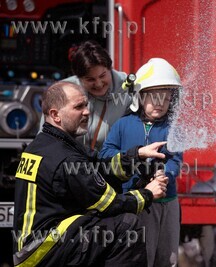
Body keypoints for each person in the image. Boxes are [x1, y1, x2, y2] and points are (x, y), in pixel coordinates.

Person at [13, 81, 169, 266]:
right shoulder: (65, 157)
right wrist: (148, 194)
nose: (87, 111)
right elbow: (109, 204)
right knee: (127, 226)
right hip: (43, 250)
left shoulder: (44, 144)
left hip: (33, 247)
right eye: (78, 107)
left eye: (86, 105)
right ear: (55, 115)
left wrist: (137, 155)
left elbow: (98, 168)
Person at [100, 58, 183, 267]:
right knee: (142, 255)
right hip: (137, 202)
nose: (159, 103)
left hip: (168, 202)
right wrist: (132, 157)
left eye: (165, 98)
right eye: (153, 97)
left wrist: (166, 174)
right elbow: (105, 154)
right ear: (139, 96)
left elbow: (176, 160)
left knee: (169, 257)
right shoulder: (122, 125)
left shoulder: (174, 128)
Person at [40, 40, 130, 151]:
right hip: (71, 159)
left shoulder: (128, 89)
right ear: (79, 78)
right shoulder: (62, 92)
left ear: (110, 69)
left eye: (102, 76)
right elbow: (46, 139)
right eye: (90, 79)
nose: (98, 84)